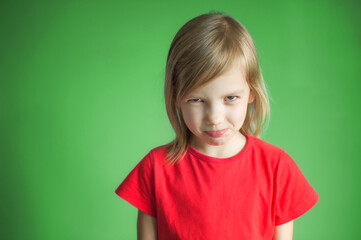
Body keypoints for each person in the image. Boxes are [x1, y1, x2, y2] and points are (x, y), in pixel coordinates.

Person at [115, 11, 319, 240]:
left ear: (251, 92)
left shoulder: (276, 168)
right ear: (176, 96)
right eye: (197, 100)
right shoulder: (155, 168)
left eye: (230, 98)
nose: (214, 117)